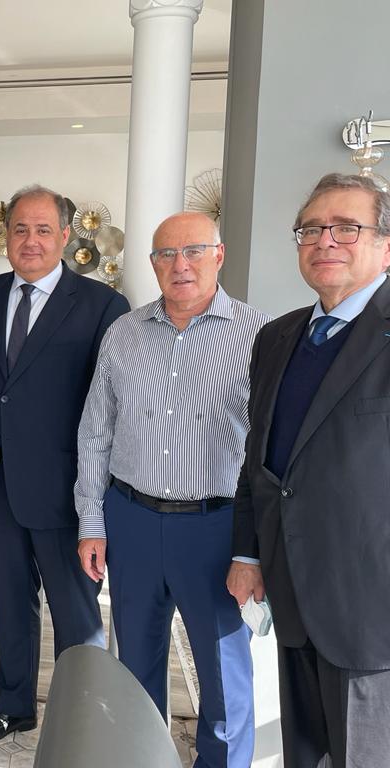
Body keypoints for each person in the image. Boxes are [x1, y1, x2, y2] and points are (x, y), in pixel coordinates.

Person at [74, 212, 267, 767]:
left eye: (194, 251)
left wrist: (251, 549)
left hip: (216, 526)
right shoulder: (123, 333)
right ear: (153, 263)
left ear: (218, 255)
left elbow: (269, 449)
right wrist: (92, 523)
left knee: (223, 673)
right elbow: (96, 432)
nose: (180, 265)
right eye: (165, 254)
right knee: (135, 666)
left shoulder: (260, 334)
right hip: (132, 519)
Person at [0, 184, 129, 744]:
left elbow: (110, 408)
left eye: (43, 229)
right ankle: (13, 706)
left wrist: (99, 492)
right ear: (6, 237)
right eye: (20, 229)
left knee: (76, 615)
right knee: (8, 603)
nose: (31, 240)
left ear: (65, 236)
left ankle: (81, 724)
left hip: (66, 489)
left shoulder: (101, 305)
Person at [228, 173, 390, 768]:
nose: (325, 241)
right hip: (291, 588)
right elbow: (260, 457)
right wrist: (248, 554)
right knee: (305, 754)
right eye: (312, 229)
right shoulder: (277, 337)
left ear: (385, 245)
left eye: (347, 228)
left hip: (370, 606)